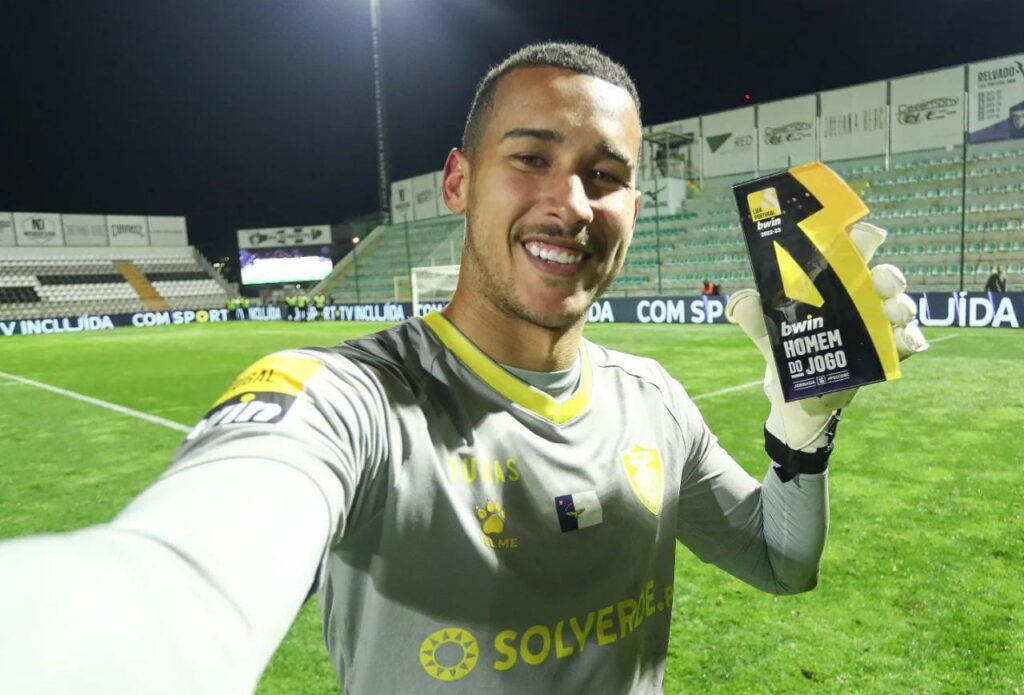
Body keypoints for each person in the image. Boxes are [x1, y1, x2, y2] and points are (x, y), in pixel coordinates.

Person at [0, 43, 925, 694]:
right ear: (458, 182)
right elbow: (173, 582)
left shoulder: (655, 401)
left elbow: (780, 561)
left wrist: (803, 432)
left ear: (635, 203)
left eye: (606, 175)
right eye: (531, 158)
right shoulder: (348, 399)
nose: (571, 203)